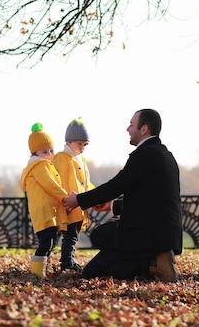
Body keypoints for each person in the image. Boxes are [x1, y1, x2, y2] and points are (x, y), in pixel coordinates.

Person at [62, 108, 182, 281]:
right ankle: (152, 260)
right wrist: (111, 206)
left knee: (91, 272)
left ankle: (151, 263)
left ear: (144, 129)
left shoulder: (144, 154)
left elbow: (115, 186)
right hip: (166, 234)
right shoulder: (165, 155)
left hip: (147, 234)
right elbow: (150, 199)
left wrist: (79, 200)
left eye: (132, 124)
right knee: (101, 237)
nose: (128, 129)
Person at [20, 122, 69, 278]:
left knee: (49, 242)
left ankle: (43, 270)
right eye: (44, 151)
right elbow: (50, 184)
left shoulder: (43, 164)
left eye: (51, 150)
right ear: (35, 152)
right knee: (46, 242)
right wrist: (65, 196)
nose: (49, 154)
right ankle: (37, 273)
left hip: (47, 210)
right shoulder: (39, 166)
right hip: (44, 211)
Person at [52, 118, 94, 272]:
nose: (83, 148)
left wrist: (93, 196)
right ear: (69, 142)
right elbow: (59, 180)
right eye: (80, 144)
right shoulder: (62, 158)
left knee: (73, 236)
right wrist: (64, 199)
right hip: (69, 205)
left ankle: (68, 260)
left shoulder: (80, 161)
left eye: (85, 145)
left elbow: (85, 184)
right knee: (69, 236)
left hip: (78, 206)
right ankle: (66, 262)